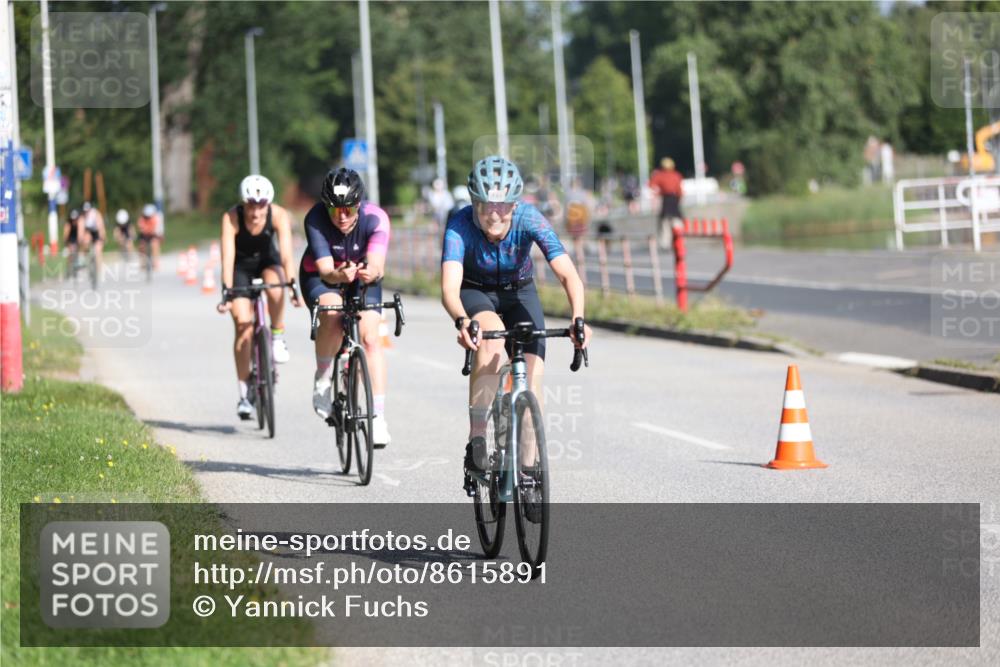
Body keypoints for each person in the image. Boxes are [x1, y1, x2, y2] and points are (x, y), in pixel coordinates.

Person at [440, 155, 591, 495]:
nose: (494, 215)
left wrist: (578, 318)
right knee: (492, 345)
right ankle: (477, 437)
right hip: (476, 293)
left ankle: (528, 469)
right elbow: (449, 288)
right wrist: (462, 320)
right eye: (485, 206)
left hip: (520, 293)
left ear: (514, 204)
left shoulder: (530, 219)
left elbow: (568, 275)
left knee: (532, 379)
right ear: (474, 203)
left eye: (503, 207)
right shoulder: (459, 225)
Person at [300, 167, 393, 447]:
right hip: (321, 277)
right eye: (334, 209)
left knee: (370, 339)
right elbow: (327, 270)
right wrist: (341, 276)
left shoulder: (376, 218)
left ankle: (377, 417)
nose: (341, 216)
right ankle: (323, 378)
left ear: (359, 204)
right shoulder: (315, 218)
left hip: (361, 278)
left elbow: (377, 264)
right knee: (332, 312)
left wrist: (370, 272)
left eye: (348, 209)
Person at [217, 175, 301, 420]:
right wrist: (227, 292)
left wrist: (293, 285)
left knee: (276, 286)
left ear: (268, 203)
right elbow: (227, 257)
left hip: (267, 261)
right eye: (251, 205)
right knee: (243, 328)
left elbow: (286, 256)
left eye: (261, 205)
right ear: (244, 203)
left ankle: (276, 336)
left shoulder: (279, 215)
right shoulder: (231, 217)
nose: (255, 212)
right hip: (241, 267)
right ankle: (244, 395)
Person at [648, 157, 684, 249]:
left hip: (666, 200)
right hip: (674, 200)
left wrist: (658, 193)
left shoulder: (660, 175)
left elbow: (651, 185)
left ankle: (665, 242)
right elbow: (680, 191)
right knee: (676, 221)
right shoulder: (676, 175)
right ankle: (678, 239)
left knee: (665, 222)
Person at [77, 202, 106, 275]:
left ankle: (99, 270)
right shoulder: (82, 217)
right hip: (88, 232)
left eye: (87, 211)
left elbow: (101, 227)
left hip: (96, 232)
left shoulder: (96, 214)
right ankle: (82, 260)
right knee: (85, 242)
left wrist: (102, 238)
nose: (86, 212)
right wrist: (81, 241)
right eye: (85, 211)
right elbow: (80, 231)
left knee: (98, 250)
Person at [136, 204, 162, 270]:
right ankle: (143, 263)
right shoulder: (141, 219)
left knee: (155, 244)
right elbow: (141, 229)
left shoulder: (156, 218)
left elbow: (157, 230)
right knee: (141, 246)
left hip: (153, 235)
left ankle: (155, 263)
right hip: (144, 235)